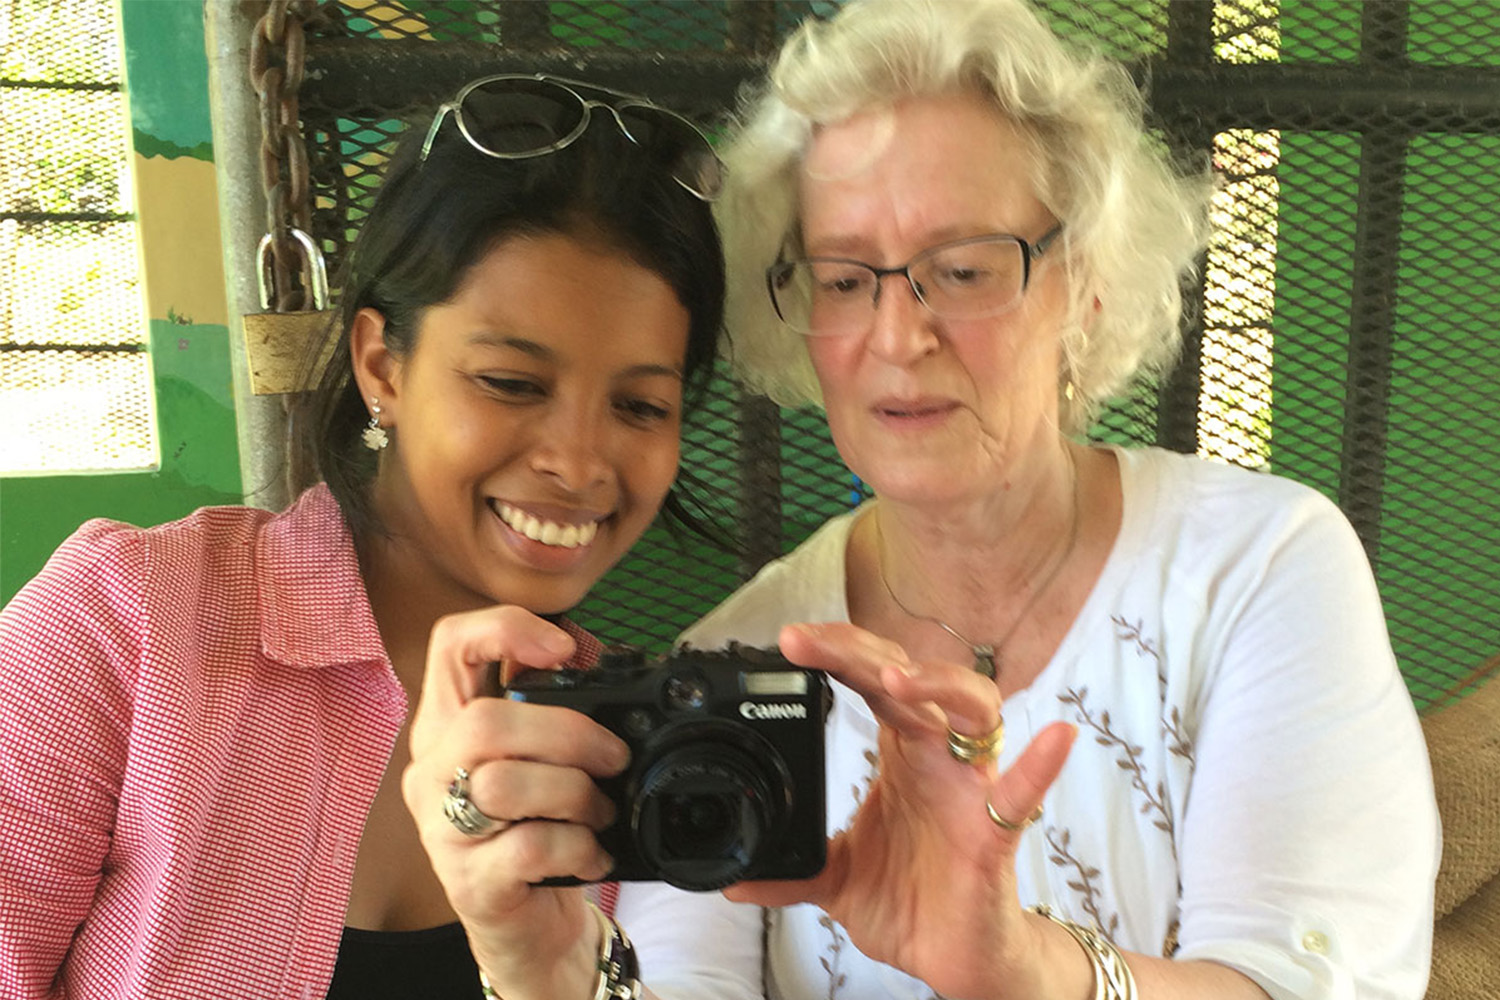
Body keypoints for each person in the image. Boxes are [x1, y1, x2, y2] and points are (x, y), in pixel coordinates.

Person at [681, 1, 1441, 998]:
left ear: (1083, 279)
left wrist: (1028, 971)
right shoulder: (739, 662)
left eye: (962, 270)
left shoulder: (1255, 569)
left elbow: (1313, 981)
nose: (899, 335)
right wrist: (538, 957)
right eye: (845, 278)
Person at [0, 74, 761, 1000]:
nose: (580, 461)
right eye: (511, 383)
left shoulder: (631, 746)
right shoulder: (127, 624)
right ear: (381, 366)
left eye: (641, 405)